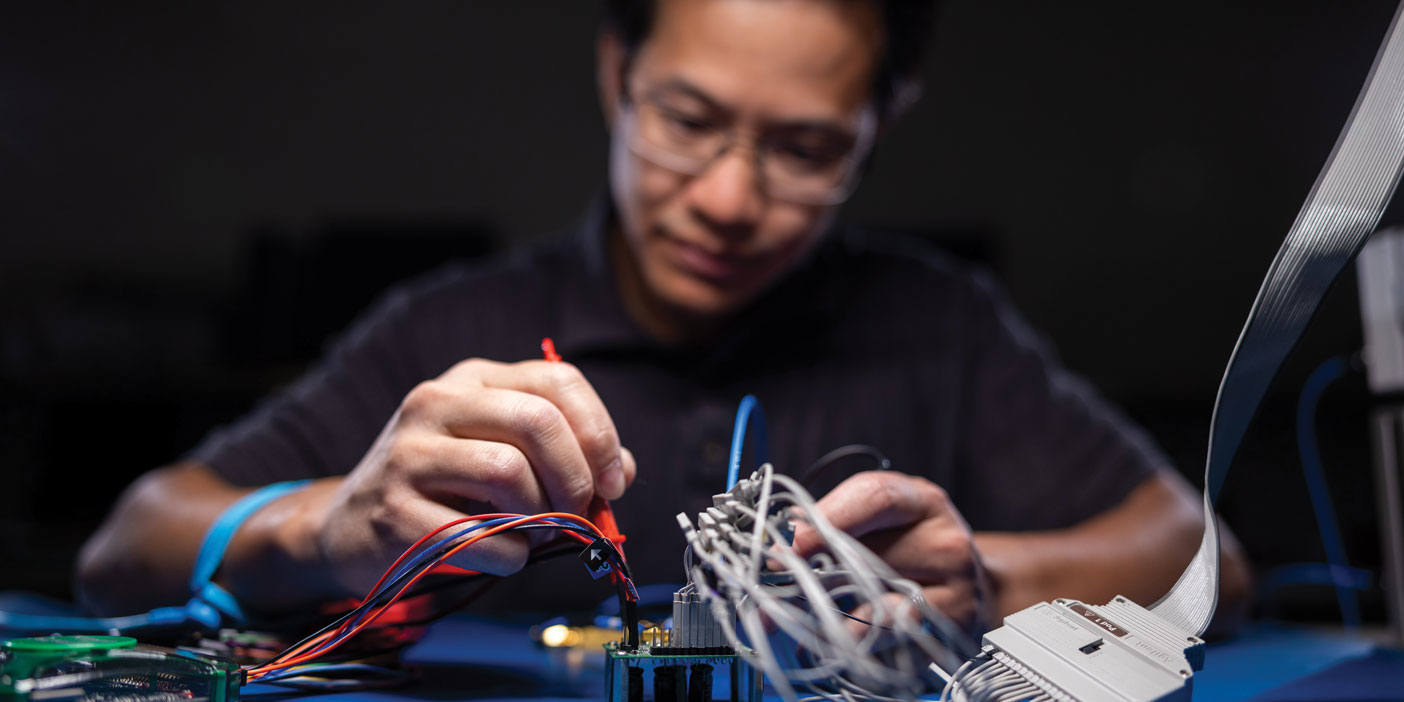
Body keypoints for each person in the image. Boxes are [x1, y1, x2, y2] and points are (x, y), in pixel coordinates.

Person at [76, 0, 1250, 639]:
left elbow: (1207, 555)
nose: (731, 202)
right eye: (687, 121)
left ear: (879, 132)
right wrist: (328, 528)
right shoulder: (453, 326)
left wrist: (983, 578)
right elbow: (126, 545)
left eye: (806, 150)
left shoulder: (941, 326)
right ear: (614, 77)